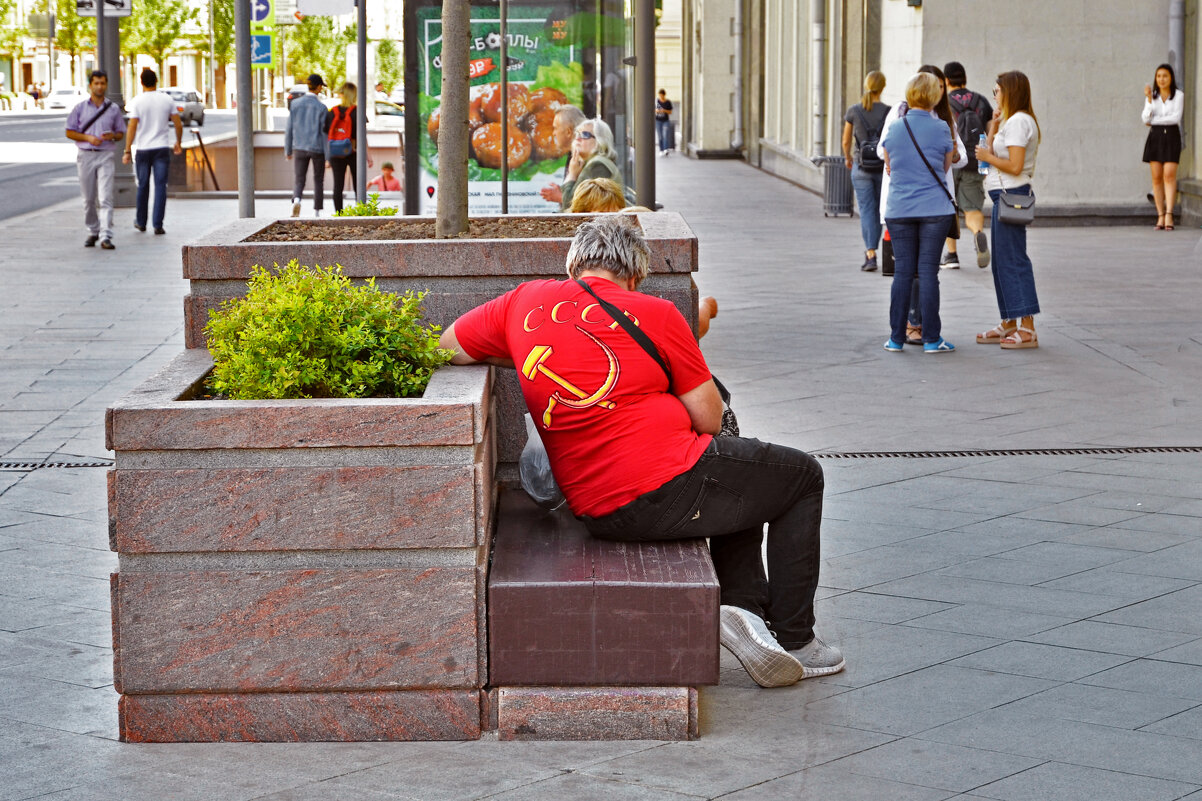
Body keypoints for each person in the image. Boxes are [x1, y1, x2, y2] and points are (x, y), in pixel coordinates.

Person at [437, 215, 845, 688]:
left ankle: (744, 608)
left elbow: (448, 347)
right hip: (665, 486)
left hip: (596, 508)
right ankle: (797, 638)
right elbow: (710, 419)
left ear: (574, 266)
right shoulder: (655, 313)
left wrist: (526, 350)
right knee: (800, 476)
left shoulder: (521, 303)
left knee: (749, 472)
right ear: (634, 274)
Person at [877, 64, 966, 343]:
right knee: (928, 273)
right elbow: (945, 167)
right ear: (934, 96)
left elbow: (888, 162)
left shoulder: (894, 126)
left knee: (902, 273)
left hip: (900, 209)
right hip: (933, 210)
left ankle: (895, 338)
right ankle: (931, 339)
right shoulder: (942, 127)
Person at [974, 71, 1042, 349]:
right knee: (1002, 260)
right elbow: (990, 152)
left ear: (1010, 92)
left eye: (997, 91)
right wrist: (993, 126)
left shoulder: (1020, 122)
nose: (994, 95)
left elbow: (1014, 165)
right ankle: (1009, 321)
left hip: (1012, 195)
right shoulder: (1009, 122)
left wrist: (988, 157)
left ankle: (1027, 326)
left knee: (1013, 259)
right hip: (1003, 195)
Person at [64, 70, 126, 250]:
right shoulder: (80, 108)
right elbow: (69, 131)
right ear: (90, 85)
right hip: (86, 155)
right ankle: (93, 230)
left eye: (103, 83)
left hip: (105, 154)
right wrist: (88, 138)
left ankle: (106, 236)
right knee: (88, 198)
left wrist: (112, 135)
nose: (100, 86)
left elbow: (120, 133)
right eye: (96, 83)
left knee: (106, 197)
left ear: (106, 85)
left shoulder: (113, 109)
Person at [943, 61, 993, 267]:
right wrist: (986, 162)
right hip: (975, 159)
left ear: (946, 81)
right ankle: (978, 232)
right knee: (972, 208)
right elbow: (990, 134)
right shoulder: (980, 101)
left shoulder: (943, 102)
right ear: (964, 78)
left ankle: (952, 255)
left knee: (949, 207)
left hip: (951, 159)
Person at [122, 68, 182, 235]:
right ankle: (158, 224)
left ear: (141, 82)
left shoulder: (137, 101)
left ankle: (141, 222)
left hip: (143, 149)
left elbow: (132, 126)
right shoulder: (167, 100)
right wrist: (178, 142)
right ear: (156, 81)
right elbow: (178, 124)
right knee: (161, 186)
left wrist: (127, 150)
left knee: (143, 185)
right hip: (161, 148)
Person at [842, 71, 889, 271]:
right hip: (881, 167)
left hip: (861, 167)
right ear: (883, 87)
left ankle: (871, 254)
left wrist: (848, 157)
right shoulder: (888, 111)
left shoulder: (854, 111)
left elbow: (846, 140)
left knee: (867, 210)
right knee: (881, 209)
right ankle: (889, 249)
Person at [1142, 63, 1184, 231]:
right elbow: (1146, 119)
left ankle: (1169, 214)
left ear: (1171, 78)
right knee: (1157, 178)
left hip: (1172, 136)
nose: (1161, 79)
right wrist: (1151, 101)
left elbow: (1175, 119)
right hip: (1156, 137)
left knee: (1169, 175)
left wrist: (1155, 120)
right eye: (1158, 76)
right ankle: (1160, 215)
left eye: (1165, 76)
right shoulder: (1152, 96)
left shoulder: (1179, 95)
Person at [285, 73, 330, 217]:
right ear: (317, 87)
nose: (321, 89)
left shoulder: (295, 104)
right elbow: (324, 134)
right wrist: (327, 157)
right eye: (321, 86)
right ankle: (317, 211)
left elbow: (289, 128)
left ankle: (296, 200)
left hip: (299, 147)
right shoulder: (322, 107)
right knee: (318, 179)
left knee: (299, 178)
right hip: (317, 148)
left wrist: (288, 150)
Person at [556, 119, 624, 212]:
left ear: (600, 140)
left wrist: (572, 175)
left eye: (585, 135)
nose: (578, 138)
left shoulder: (597, 164)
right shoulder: (592, 163)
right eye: (578, 134)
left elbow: (570, 207)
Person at [326, 82, 372, 214]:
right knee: (358, 185)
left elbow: (327, 135)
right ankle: (360, 213)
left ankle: (339, 215)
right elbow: (363, 136)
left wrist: (327, 157)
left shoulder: (332, 112)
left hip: (335, 153)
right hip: (354, 152)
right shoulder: (358, 112)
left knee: (338, 185)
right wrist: (369, 156)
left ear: (342, 94)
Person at [539, 104, 588, 208]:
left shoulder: (586, 157)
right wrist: (564, 189)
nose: (553, 133)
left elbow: (593, 202)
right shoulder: (574, 154)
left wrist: (560, 197)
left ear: (568, 132)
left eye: (555, 128)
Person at [655, 89, 674, 156]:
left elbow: (670, 112)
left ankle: (666, 149)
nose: (660, 96)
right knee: (660, 136)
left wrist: (664, 110)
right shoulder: (657, 101)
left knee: (665, 134)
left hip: (665, 121)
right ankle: (661, 149)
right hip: (658, 121)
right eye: (659, 95)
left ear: (664, 95)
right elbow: (654, 110)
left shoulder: (667, 102)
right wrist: (657, 111)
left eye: (661, 95)